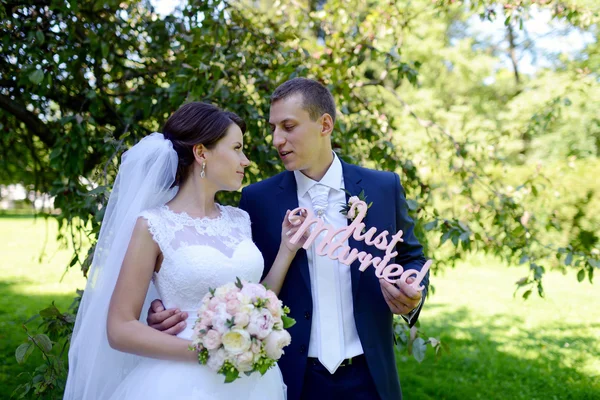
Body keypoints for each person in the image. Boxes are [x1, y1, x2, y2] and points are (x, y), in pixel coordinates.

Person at [149, 78, 429, 400]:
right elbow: (239, 282)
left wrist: (414, 293)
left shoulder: (383, 187)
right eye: (273, 128)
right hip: (291, 378)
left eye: (288, 126)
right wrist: (174, 308)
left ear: (325, 125)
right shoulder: (257, 200)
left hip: (370, 376)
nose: (276, 140)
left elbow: (412, 258)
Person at [64, 102, 307, 400]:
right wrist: (208, 352)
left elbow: (256, 297)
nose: (245, 161)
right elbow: (119, 328)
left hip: (253, 380)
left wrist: (287, 249)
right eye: (237, 148)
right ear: (202, 152)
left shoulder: (239, 220)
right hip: (181, 381)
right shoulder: (153, 225)